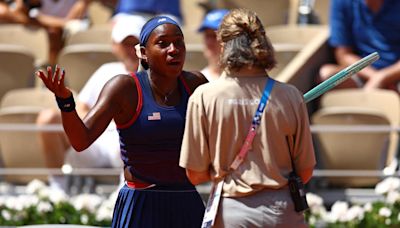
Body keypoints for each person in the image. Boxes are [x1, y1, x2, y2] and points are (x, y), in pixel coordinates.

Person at [36, 15, 208, 227]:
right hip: (140, 202)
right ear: (144, 53)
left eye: (178, 42)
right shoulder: (123, 87)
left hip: (186, 200)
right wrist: (66, 102)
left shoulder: (197, 84)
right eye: (163, 43)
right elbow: (80, 141)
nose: (173, 49)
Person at [180, 8, 316, 227]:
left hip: (232, 212)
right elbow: (306, 170)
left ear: (223, 46)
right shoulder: (291, 96)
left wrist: (223, 170)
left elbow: (194, 174)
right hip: (283, 213)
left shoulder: (204, 97)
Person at [36, 15, 145, 191]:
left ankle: (124, 192)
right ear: (114, 46)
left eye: (135, 43)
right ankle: (57, 190)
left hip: (130, 146)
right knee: (47, 119)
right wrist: (98, 123)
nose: (131, 49)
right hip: (97, 143)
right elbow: (82, 105)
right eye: (125, 43)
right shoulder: (106, 71)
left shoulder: (154, 78)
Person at [317, 0, 400, 92]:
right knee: (326, 75)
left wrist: (383, 77)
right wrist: (374, 78)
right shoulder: (342, 2)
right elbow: (343, 55)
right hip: (362, 74)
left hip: (396, 75)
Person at [197, 8, 229, 82]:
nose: (209, 42)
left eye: (215, 36)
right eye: (207, 36)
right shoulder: (197, 81)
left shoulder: (242, 79)